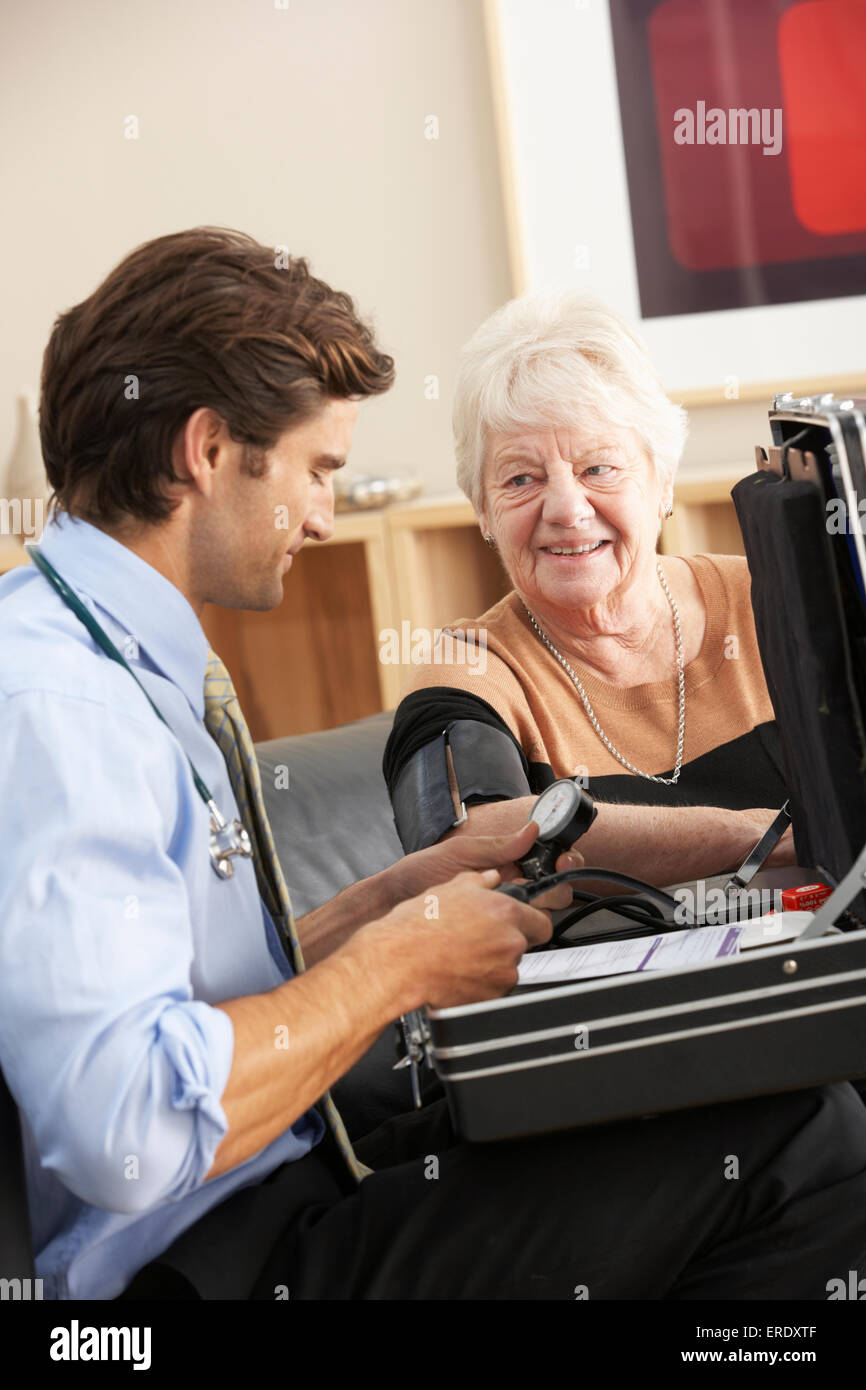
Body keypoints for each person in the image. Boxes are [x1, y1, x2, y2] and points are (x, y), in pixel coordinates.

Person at [2, 227, 865, 1302]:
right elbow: (122, 1130)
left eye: (600, 466)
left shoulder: (113, 661)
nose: (322, 515)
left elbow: (187, 1005)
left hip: (279, 1189)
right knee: (801, 1139)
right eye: (319, 470)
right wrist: (396, 964)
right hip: (207, 1265)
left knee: (777, 1107)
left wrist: (391, 899)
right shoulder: (60, 704)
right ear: (209, 451)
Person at [384, 293, 795, 889]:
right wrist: (757, 838)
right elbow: (465, 843)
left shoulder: (777, 602)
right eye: (521, 478)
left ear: (662, 481)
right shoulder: (471, 668)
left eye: (598, 468)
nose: (567, 509)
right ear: (484, 512)